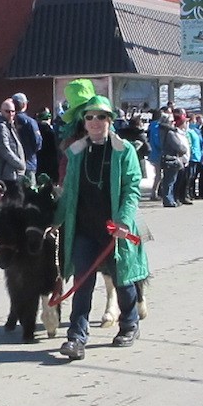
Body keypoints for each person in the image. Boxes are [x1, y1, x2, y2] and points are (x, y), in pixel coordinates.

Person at [54, 88, 148, 361]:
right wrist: (54, 220)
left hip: (115, 229)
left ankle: (129, 324)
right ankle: (76, 337)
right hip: (84, 228)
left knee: (123, 278)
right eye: (90, 117)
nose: (95, 122)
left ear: (110, 120)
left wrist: (123, 221)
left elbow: (132, 188)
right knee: (82, 282)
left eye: (101, 117)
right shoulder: (77, 153)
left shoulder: (123, 150)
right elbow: (69, 192)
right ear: (84, 122)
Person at [0, 98, 26, 197]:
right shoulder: (1, 126)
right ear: (1, 111)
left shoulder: (10, 124)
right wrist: (20, 164)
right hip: (7, 173)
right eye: (7, 111)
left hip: (14, 172)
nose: (10, 114)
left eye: (12, 111)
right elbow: (4, 150)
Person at [158, 109, 189, 207]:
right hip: (171, 158)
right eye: (171, 121)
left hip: (167, 158)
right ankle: (168, 200)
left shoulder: (163, 131)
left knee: (169, 180)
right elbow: (178, 146)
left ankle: (169, 199)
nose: (173, 123)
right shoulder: (170, 133)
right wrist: (183, 149)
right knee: (170, 181)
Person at [11, 92, 42, 183]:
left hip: (11, 165)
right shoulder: (30, 121)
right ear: (24, 104)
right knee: (29, 192)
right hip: (29, 162)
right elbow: (37, 142)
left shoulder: (7, 120)